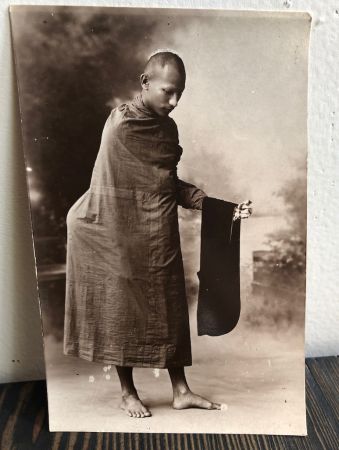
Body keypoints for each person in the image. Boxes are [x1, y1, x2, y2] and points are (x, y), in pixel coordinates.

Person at [64, 50, 252, 418]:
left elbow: (167, 184)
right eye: (168, 91)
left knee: (169, 307)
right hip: (115, 232)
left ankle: (180, 390)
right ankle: (127, 392)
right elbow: (115, 186)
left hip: (157, 234)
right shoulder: (121, 124)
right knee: (122, 308)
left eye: (180, 92)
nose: (175, 101)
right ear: (145, 82)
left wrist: (218, 207)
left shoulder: (167, 129)